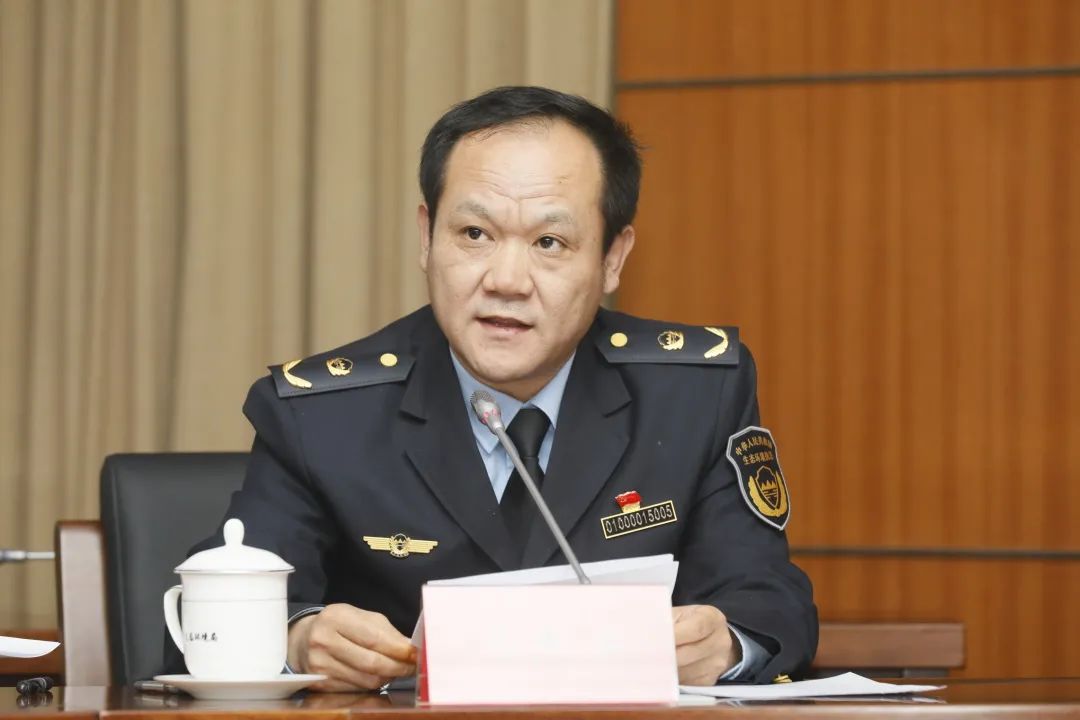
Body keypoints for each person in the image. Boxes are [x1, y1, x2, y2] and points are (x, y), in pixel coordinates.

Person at [168, 86, 817, 689]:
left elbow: (770, 601)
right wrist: (297, 639)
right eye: (474, 234)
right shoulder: (323, 414)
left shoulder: (693, 393)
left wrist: (725, 645)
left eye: (549, 242)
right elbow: (207, 620)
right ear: (427, 237)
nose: (506, 280)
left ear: (613, 258)